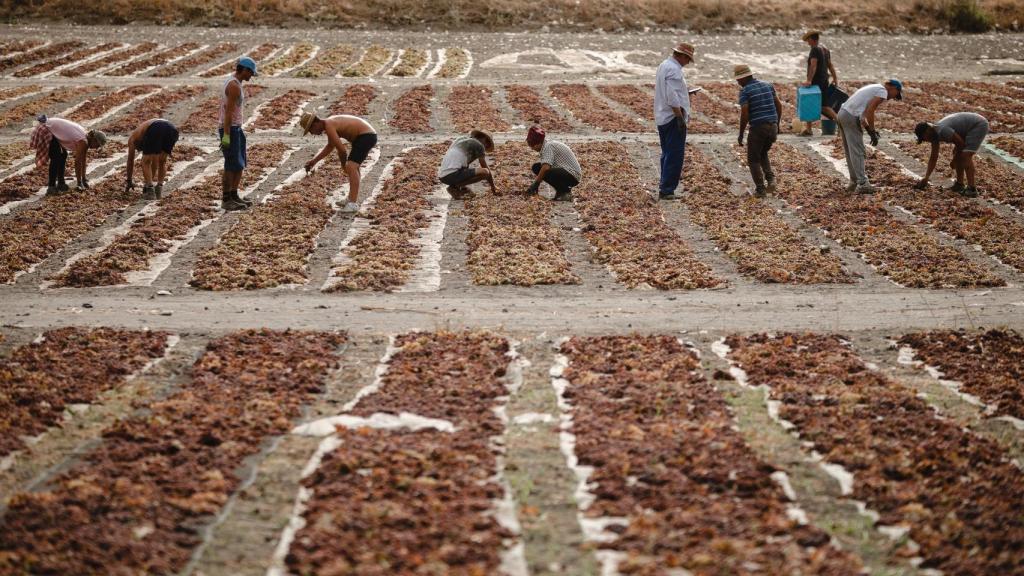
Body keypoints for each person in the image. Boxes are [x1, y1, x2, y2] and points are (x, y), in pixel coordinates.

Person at [299, 112, 378, 213]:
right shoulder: (329, 124)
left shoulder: (329, 125)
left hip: (366, 136)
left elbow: (342, 150)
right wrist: (314, 161)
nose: (312, 133)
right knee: (353, 167)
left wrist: (343, 165)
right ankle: (350, 199)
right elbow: (330, 146)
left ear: (315, 124)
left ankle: (352, 203)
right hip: (364, 136)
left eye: (310, 130)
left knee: (351, 166)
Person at [836, 79, 903, 194]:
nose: (892, 98)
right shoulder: (883, 91)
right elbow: (870, 111)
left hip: (843, 114)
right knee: (858, 150)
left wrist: (869, 131)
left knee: (850, 151)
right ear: (893, 88)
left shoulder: (874, 87)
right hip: (850, 116)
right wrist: (872, 130)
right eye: (896, 94)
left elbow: (863, 117)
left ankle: (854, 182)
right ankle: (863, 183)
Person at [913, 113, 989, 198]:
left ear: (927, 131)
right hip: (967, 128)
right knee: (958, 154)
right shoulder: (933, 135)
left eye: (924, 138)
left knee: (965, 155)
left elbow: (961, 144)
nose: (925, 140)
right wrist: (926, 177)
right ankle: (959, 184)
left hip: (978, 124)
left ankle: (972, 189)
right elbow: (933, 157)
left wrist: (954, 160)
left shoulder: (942, 130)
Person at [654, 42, 694, 200]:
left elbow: (671, 91)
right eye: (688, 59)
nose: (688, 63)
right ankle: (667, 189)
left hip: (662, 115)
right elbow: (672, 96)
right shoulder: (674, 70)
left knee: (667, 152)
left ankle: (664, 186)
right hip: (672, 116)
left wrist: (686, 93)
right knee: (675, 154)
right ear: (682, 56)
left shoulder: (664, 65)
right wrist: (679, 116)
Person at [735, 65, 783, 198]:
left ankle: (760, 189)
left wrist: (740, 133)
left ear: (744, 78)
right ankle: (771, 179)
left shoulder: (745, 91)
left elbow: (744, 114)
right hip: (772, 126)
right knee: (763, 152)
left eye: (738, 79)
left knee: (753, 159)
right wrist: (777, 124)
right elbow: (779, 105)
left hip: (758, 128)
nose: (737, 82)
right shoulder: (768, 85)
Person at [29, 115, 106, 195]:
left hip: (51, 128)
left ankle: (61, 184)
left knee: (63, 155)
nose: (96, 148)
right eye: (97, 145)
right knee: (56, 157)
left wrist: (84, 179)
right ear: (93, 139)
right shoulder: (83, 141)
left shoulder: (85, 140)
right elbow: (77, 163)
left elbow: (83, 161)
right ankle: (51, 187)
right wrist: (79, 183)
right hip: (46, 129)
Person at [219, 56, 257, 211]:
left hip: (236, 128)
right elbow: (228, 113)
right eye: (251, 73)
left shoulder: (237, 83)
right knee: (231, 164)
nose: (251, 76)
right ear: (245, 70)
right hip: (230, 128)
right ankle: (226, 199)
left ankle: (234, 195)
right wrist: (227, 135)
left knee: (240, 164)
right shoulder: (233, 86)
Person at [125, 118, 179, 200]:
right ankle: (158, 188)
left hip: (156, 127)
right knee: (162, 161)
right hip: (172, 129)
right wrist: (147, 181)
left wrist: (129, 180)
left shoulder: (132, 139)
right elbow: (154, 164)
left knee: (145, 161)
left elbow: (130, 161)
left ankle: (150, 191)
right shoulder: (143, 133)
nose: (139, 150)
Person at [524, 126, 582, 201]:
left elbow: (546, 167)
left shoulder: (548, 146)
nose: (532, 148)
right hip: (567, 172)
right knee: (537, 167)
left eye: (532, 145)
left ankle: (565, 192)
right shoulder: (546, 145)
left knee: (544, 171)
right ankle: (561, 191)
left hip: (573, 175)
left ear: (539, 143)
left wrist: (536, 184)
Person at [800, 30, 839, 136]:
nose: (808, 43)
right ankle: (808, 129)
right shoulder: (825, 49)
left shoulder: (814, 50)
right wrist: (835, 78)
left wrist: (809, 80)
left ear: (812, 39)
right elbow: (830, 65)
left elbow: (813, 66)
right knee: (814, 104)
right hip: (824, 81)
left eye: (808, 40)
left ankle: (841, 123)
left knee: (822, 106)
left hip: (816, 82)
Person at [437, 130, 495, 198]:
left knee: (466, 167)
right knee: (485, 172)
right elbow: (484, 166)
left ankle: (460, 188)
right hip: (451, 175)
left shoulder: (460, 140)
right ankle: (454, 187)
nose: (486, 146)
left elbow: (463, 165)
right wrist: (493, 186)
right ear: (484, 139)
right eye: (487, 143)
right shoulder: (479, 145)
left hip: (442, 176)